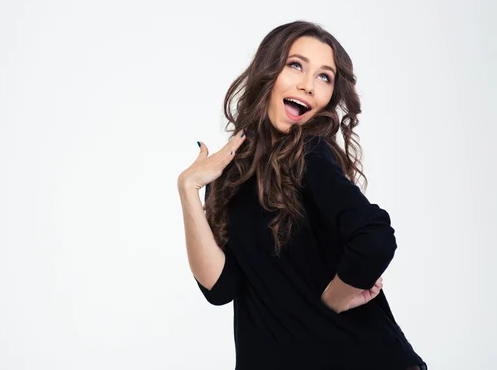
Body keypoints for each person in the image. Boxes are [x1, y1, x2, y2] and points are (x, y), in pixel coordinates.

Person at [177, 20, 428, 369]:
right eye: (295, 65)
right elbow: (220, 289)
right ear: (268, 70)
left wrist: (333, 300)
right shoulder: (228, 174)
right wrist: (189, 189)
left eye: (324, 77)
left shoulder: (308, 152)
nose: (308, 86)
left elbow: (375, 238)